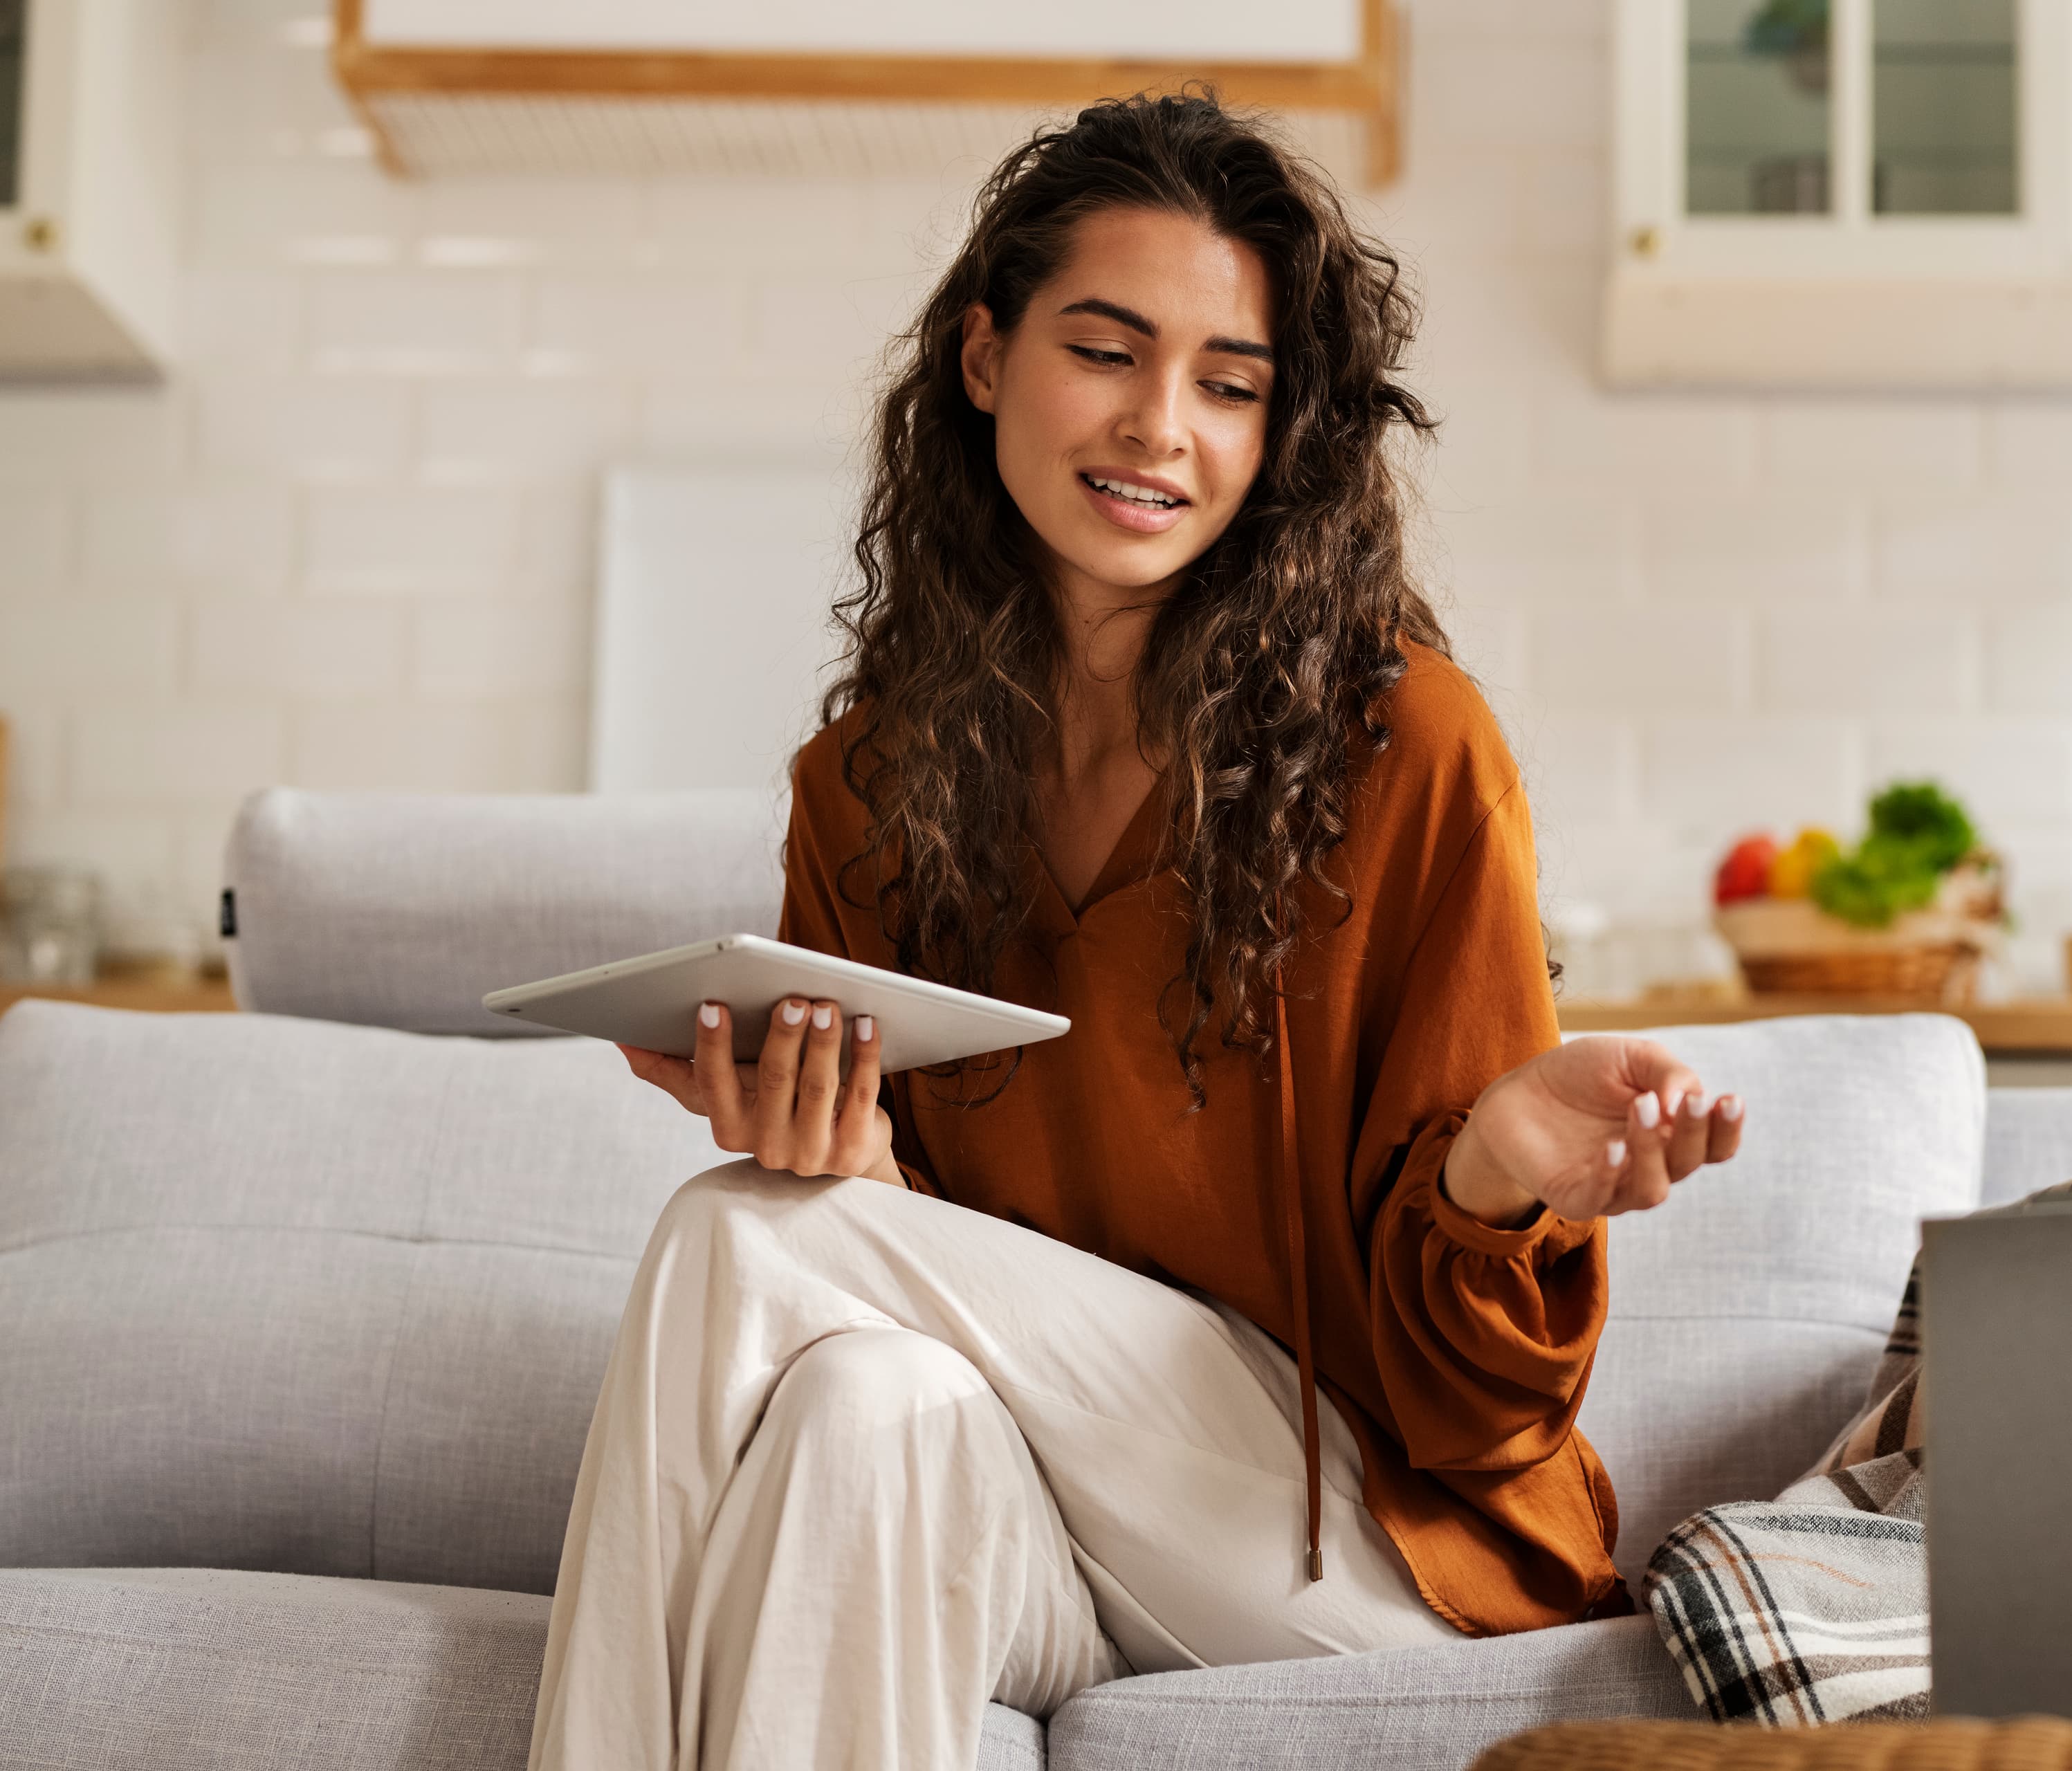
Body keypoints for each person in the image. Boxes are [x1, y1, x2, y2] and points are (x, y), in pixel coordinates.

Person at [528, 92, 1746, 1771]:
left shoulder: (1412, 751)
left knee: (740, 1233)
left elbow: (1485, 1411)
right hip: (1050, 1511)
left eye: (1229, 386)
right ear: (983, 358)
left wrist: (1494, 1177)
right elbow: (927, 1282)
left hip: (1367, 1551)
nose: (1161, 424)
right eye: (1106, 350)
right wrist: (858, 1179)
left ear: (1279, 435)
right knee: (857, 1407)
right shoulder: (869, 782)